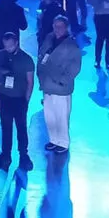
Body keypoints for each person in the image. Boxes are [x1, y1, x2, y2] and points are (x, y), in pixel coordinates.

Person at [0, 32, 35, 171]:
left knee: (21, 127)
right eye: (6, 46)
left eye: (10, 45)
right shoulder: (0, 55)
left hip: (19, 99)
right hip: (4, 96)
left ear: (16, 42)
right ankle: (5, 155)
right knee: (6, 127)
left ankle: (24, 155)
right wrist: (1, 73)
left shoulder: (26, 60)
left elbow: (30, 82)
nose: (8, 48)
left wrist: (26, 100)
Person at [38, 16, 81, 154]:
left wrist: (62, 80)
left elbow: (75, 67)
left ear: (66, 27)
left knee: (61, 116)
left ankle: (63, 141)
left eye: (60, 26)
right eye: (55, 26)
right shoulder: (49, 39)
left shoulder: (71, 45)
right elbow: (41, 56)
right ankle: (53, 139)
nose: (57, 29)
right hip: (47, 85)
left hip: (60, 87)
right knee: (49, 115)